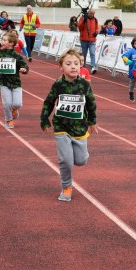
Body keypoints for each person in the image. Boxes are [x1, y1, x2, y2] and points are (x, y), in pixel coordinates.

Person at [40, 48, 97, 201]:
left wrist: (92, 121)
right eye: (69, 64)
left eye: (76, 64)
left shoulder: (84, 85)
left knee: (81, 160)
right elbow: (49, 102)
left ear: (81, 66)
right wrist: (44, 119)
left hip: (79, 128)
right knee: (65, 160)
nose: (73, 66)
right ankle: (66, 186)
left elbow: (91, 103)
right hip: (61, 127)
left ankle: (81, 154)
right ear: (61, 67)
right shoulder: (58, 84)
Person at [0, 32, 29, 129]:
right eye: (2, 39)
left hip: (16, 83)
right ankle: (9, 120)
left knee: (17, 104)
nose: (2, 41)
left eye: (4, 40)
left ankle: (14, 109)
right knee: (7, 104)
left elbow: (25, 66)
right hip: (3, 83)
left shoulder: (17, 55)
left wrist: (24, 70)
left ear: (11, 43)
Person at [122, 37, 136, 102]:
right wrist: (127, 60)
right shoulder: (131, 51)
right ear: (133, 45)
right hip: (133, 71)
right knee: (132, 83)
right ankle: (131, 94)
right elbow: (124, 56)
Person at [78, 9, 99, 73]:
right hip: (84, 39)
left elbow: (97, 27)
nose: (91, 14)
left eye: (93, 13)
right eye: (90, 13)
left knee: (92, 53)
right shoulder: (83, 18)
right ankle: (83, 66)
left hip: (92, 40)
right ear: (88, 13)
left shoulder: (95, 20)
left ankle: (93, 67)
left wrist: (97, 32)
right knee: (84, 54)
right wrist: (84, 21)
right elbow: (79, 27)